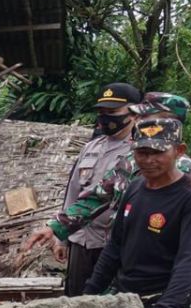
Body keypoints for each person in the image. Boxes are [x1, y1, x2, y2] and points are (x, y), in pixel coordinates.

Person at [24, 92, 190, 257]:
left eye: (143, 116)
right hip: (120, 259)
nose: (136, 120)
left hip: (162, 265)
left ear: (169, 121)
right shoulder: (130, 162)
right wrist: (54, 227)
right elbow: (97, 197)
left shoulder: (186, 173)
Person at [23, 83, 142, 295]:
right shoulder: (91, 147)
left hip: (115, 245)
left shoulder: (141, 154)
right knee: (76, 300)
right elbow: (74, 193)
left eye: (112, 113)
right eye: (101, 112)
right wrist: (62, 238)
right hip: (81, 241)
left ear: (134, 113)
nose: (105, 118)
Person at [83, 115, 191, 308]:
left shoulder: (187, 196)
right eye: (142, 152)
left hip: (166, 305)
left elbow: (188, 259)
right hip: (127, 299)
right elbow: (115, 247)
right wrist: (89, 293)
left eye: (158, 152)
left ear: (179, 151)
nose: (149, 160)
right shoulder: (134, 187)